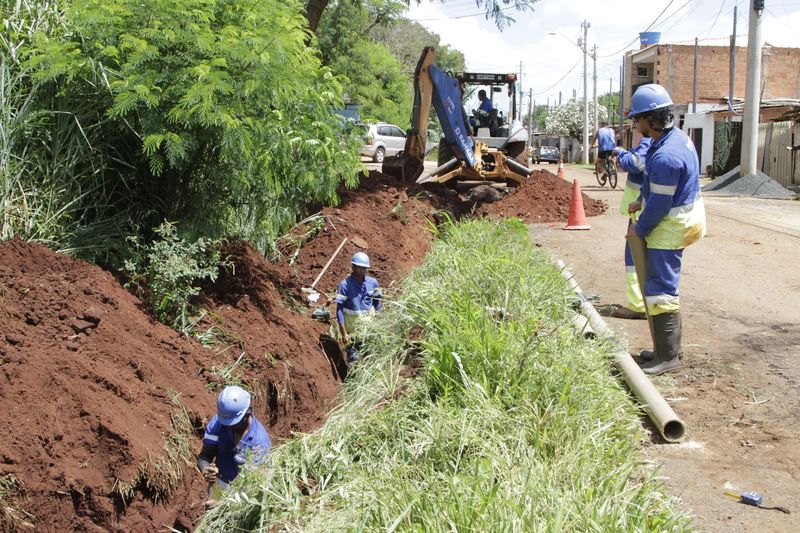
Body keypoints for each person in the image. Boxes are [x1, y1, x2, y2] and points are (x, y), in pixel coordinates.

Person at [625, 83, 707, 375]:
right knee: (662, 286)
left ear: (650, 119)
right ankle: (666, 349)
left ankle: (668, 356)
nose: (636, 125)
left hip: (673, 223)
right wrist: (640, 200)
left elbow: (661, 203)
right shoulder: (675, 139)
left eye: (638, 119)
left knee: (660, 288)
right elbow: (659, 189)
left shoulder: (665, 156)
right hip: (683, 213)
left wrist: (640, 230)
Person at [197, 386, 271, 501]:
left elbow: (253, 486)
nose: (229, 426)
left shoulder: (259, 442)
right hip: (220, 484)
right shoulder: (218, 424)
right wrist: (205, 468)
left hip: (244, 494)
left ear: (247, 414)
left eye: (233, 422)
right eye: (226, 422)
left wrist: (223, 505)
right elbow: (205, 455)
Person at [607, 137, 652, 320]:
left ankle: (638, 306)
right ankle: (649, 305)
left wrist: (622, 153)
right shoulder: (663, 142)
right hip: (643, 207)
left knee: (634, 257)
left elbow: (636, 164)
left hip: (639, 211)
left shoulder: (648, 143)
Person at [336, 252, 382, 363]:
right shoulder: (345, 285)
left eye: (363, 268)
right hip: (352, 333)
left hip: (369, 331)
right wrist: (344, 333)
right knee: (354, 361)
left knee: (370, 360)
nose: (361, 271)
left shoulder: (373, 283)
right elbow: (339, 310)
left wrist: (379, 322)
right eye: (358, 268)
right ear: (352, 267)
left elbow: (378, 303)